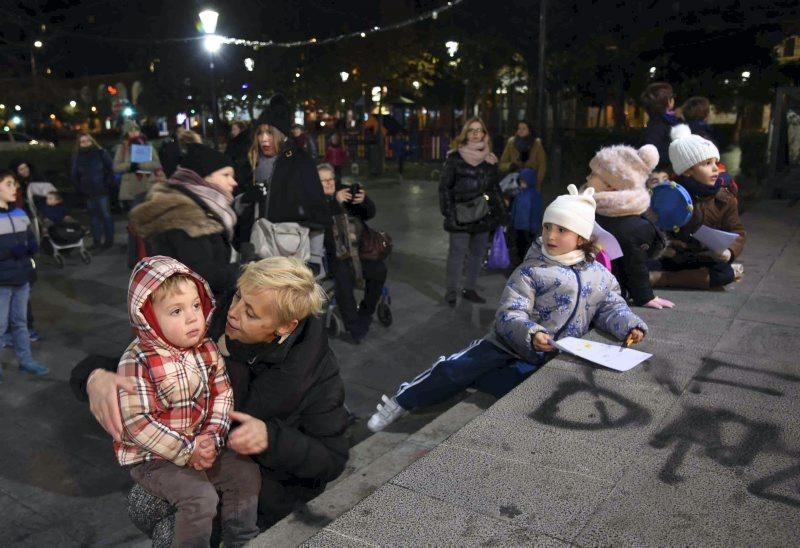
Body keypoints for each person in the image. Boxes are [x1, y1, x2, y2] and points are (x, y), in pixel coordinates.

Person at [71, 257, 349, 532]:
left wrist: (271, 439)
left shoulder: (317, 372)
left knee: (183, 516)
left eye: (250, 313)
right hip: (196, 457)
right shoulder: (210, 318)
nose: (234, 312)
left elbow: (332, 460)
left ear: (285, 326)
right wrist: (94, 377)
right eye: (238, 296)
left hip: (267, 491)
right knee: (147, 504)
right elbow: (147, 356)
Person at [367, 184, 648, 432]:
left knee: (513, 385)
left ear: (582, 238)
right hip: (506, 343)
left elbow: (612, 305)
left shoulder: (599, 275)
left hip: (551, 352)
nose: (551, 235)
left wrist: (630, 325)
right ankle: (403, 400)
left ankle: (468, 385)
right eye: (547, 226)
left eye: (562, 229)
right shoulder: (531, 270)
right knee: (456, 369)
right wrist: (532, 333)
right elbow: (509, 314)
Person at [117, 256, 260, 547]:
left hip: (203, 445)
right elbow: (138, 423)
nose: (193, 317)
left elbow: (222, 395)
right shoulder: (138, 360)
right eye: (176, 311)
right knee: (200, 498)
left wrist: (211, 438)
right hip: (156, 459)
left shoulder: (206, 348)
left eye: (196, 305)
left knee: (245, 473)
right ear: (149, 317)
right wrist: (187, 451)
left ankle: (241, 540)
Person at [129, 144, 239, 301]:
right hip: (197, 311)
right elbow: (205, 275)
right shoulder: (187, 216)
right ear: (203, 178)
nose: (233, 182)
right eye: (226, 175)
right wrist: (243, 269)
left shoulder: (197, 206)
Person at [649, 124, 746, 289]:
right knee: (639, 264)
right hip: (674, 255)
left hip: (706, 257)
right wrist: (663, 247)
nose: (716, 168)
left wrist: (728, 252)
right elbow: (655, 227)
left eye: (716, 162)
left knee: (724, 274)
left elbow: (738, 232)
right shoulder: (670, 193)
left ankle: (662, 279)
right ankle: (678, 277)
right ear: (687, 171)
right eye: (707, 163)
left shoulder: (725, 198)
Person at [583, 144, 675, 310]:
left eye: (593, 174)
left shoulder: (628, 223)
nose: (587, 178)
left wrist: (644, 296)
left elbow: (635, 262)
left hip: (610, 295)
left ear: (611, 185)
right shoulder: (587, 206)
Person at [236, 94, 330, 252]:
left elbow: (317, 212)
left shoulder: (300, 162)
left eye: (270, 133)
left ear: (283, 135)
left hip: (292, 251)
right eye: (260, 133)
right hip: (256, 249)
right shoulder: (249, 164)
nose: (264, 139)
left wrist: (315, 256)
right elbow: (234, 209)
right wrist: (244, 200)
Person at [318, 163, 387, 342]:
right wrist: (335, 202)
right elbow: (321, 225)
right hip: (334, 254)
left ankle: (366, 311)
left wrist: (364, 200)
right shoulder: (315, 202)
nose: (329, 183)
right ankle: (352, 324)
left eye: (331, 179)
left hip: (360, 250)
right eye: (323, 181)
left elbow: (369, 213)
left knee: (379, 270)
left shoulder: (343, 192)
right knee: (343, 279)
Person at [439, 117, 505, 306]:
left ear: (484, 134)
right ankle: (451, 291)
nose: (476, 133)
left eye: (479, 130)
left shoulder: (489, 160)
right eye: (472, 130)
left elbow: (494, 189)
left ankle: (470, 288)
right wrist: (449, 212)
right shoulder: (454, 158)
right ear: (465, 134)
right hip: (460, 214)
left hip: (482, 213)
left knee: (477, 253)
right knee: (457, 254)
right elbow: (444, 188)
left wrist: (501, 213)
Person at [0, 170, 48, 379]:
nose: (15, 189)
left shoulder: (20, 213)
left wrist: (32, 247)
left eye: (15, 185)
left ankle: (26, 361)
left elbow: (31, 240)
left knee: (20, 323)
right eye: (9, 184)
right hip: (2, 282)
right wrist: (10, 252)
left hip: (22, 279)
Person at [71, 132, 115, 250]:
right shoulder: (77, 157)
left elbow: (111, 169)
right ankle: (96, 241)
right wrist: (80, 188)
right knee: (93, 217)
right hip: (88, 192)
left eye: (87, 141)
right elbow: (74, 175)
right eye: (82, 141)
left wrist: (107, 184)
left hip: (102, 190)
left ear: (92, 141)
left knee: (106, 216)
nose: (85, 143)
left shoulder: (101, 153)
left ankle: (109, 240)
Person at [114, 120, 163, 210]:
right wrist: (129, 166)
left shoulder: (147, 145)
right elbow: (116, 167)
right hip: (132, 188)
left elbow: (157, 164)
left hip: (147, 185)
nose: (134, 133)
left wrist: (140, 165)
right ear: (126, 133)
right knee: (136, 216)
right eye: (131, 130)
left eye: (136, 130)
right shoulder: (122, 148)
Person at [640, 82, 682, 176]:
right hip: (664, 176)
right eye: (671, 97)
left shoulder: (668, 121)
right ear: (668, 101)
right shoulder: (659, 125)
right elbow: (652, 153)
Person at [498, 120, 547, 186]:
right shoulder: (511, 143)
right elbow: (502, 164)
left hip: (531, 181)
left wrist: (537, 182)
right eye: (519, 128)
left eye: (524, 128)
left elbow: (542, 165)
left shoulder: (536, 144)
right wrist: (510, 166)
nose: (520, 131)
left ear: (529, 130)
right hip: (515, 181)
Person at [509, 168, 542, 264]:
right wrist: (512, 221)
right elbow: (515, 208)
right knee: (518, 247)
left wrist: (534, 227)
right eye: (521, 181)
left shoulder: (534, 195)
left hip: (527, 228)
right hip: (518, 227)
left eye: (524, 181)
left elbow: (535, 212)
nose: (521, 183)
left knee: (526, 248)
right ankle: (517, 264)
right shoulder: (520, 193)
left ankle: (524, 264)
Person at [226, 121, 251, 186]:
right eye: (232, 129)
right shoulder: (233, 141)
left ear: (241, 130)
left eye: (234, 129)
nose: (232, 132)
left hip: (241, 175)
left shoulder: (245, 142)